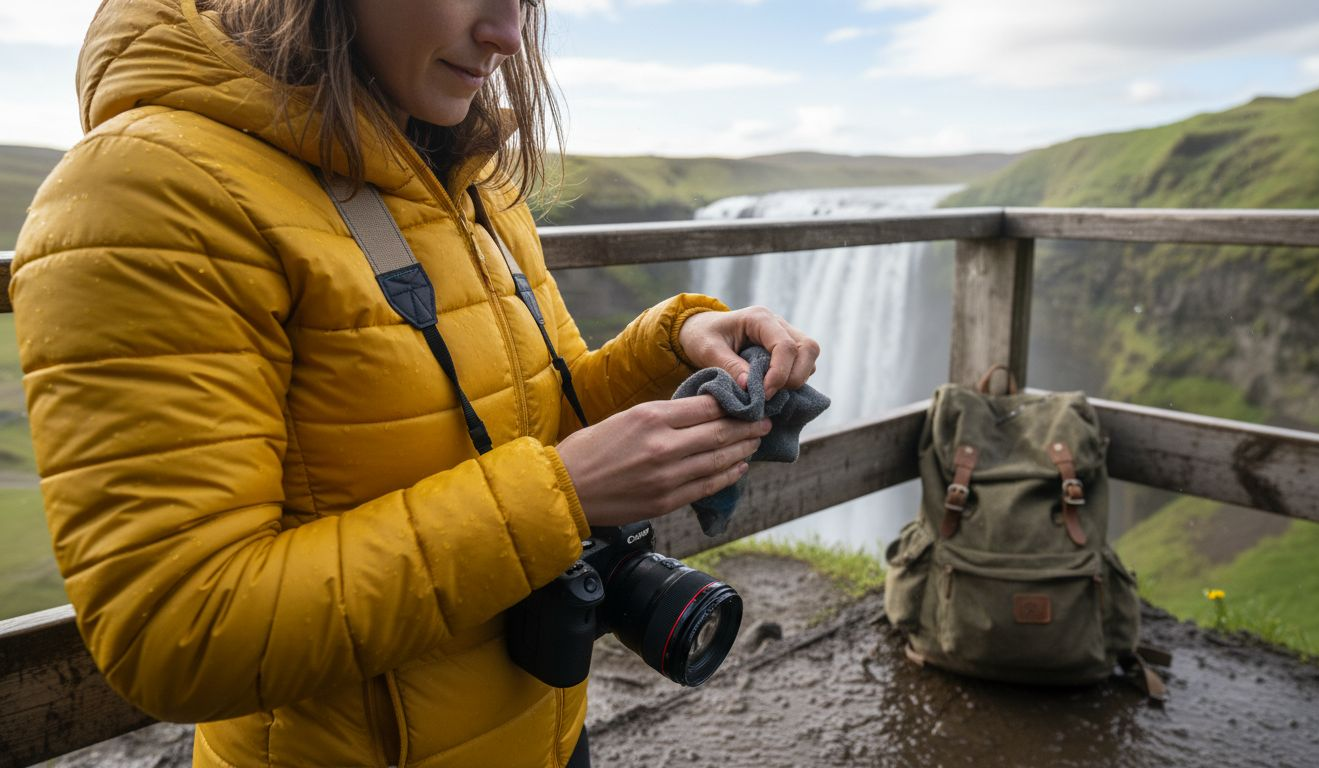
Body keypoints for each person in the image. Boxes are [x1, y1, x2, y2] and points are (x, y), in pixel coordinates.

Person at [10, 0, 820, 766]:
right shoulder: (145, 194)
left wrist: (673, 346)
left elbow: (546, 408)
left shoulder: (470, 176)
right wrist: (561, 494)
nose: (507, 33)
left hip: (544, 732)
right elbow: (178, 632)